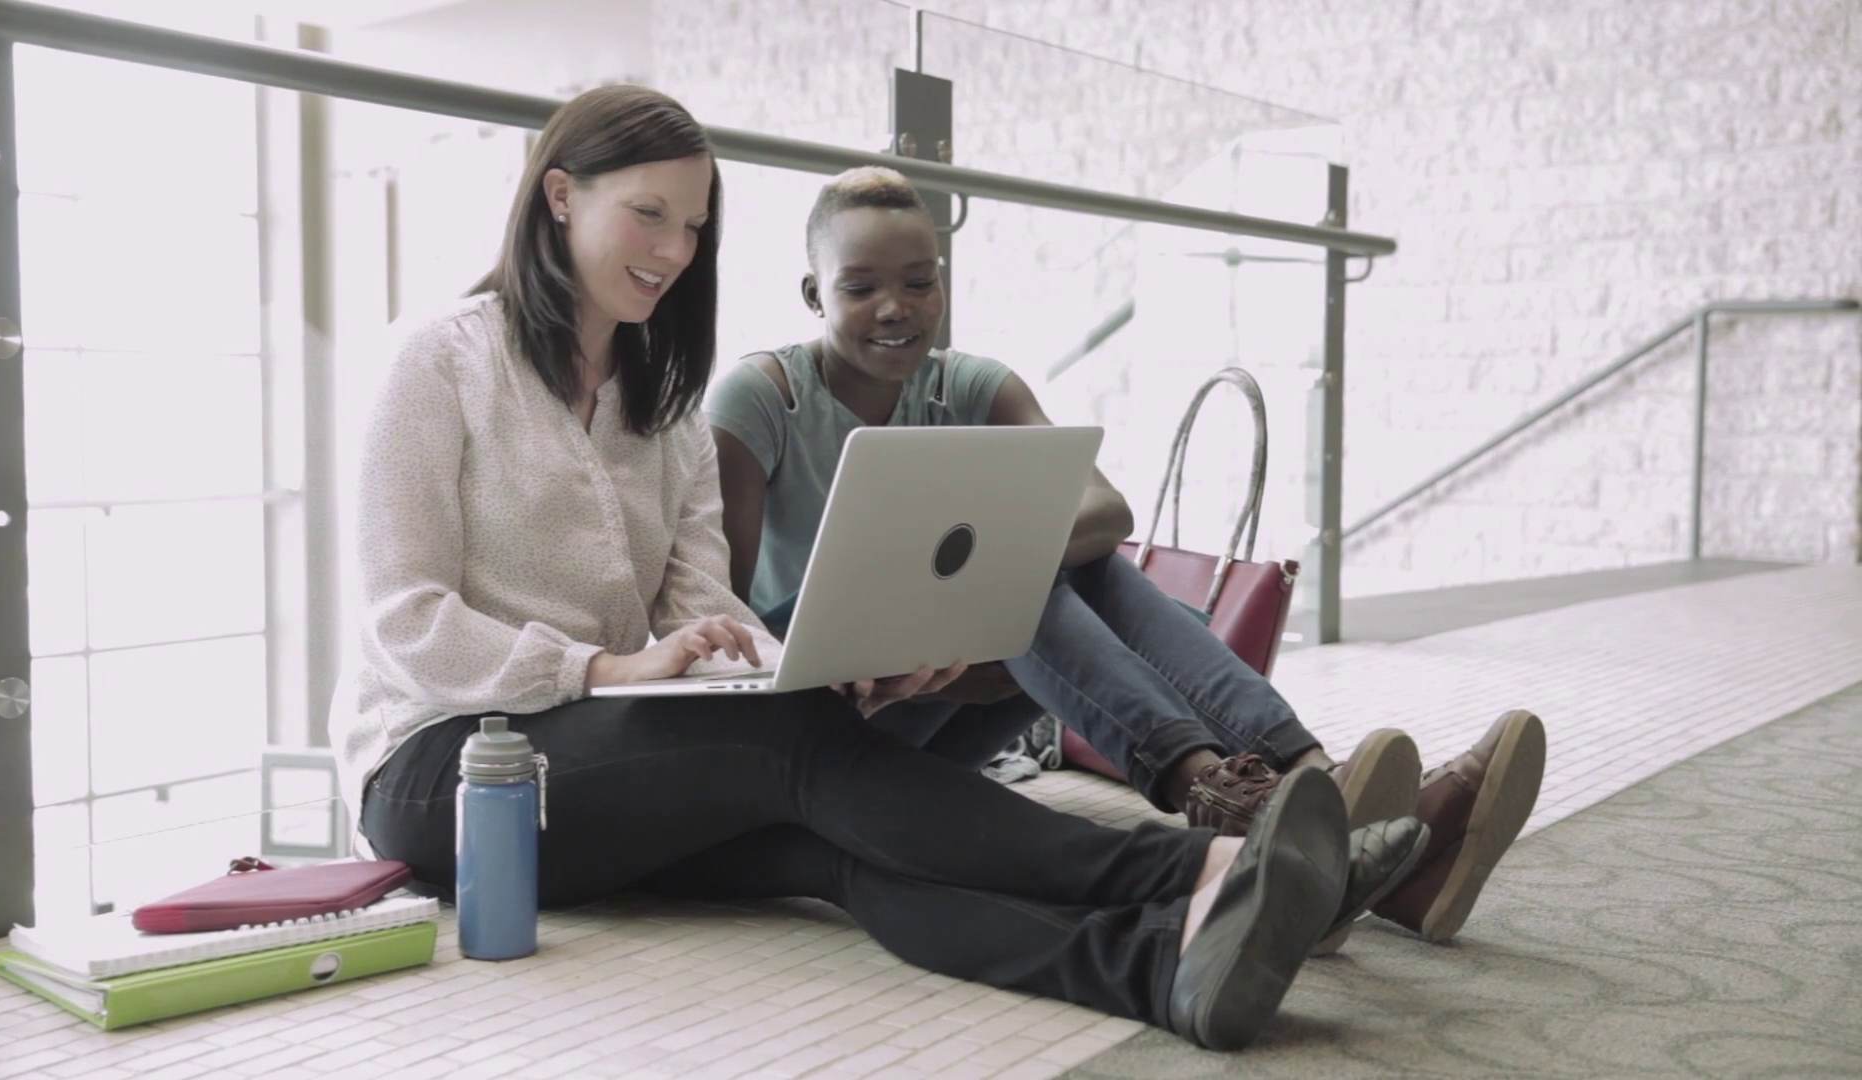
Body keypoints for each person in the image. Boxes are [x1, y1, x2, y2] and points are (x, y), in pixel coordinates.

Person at [327, 85, 1428, 1052]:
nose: (672, 249)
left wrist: (796, 662)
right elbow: (404, 617)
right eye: (647, 214)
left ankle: (1164, 972)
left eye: (694, 224)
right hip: (446, 773)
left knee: (833, 848)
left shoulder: (660, 400)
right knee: (795, 745)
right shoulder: (437, 362)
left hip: (607, 774)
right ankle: (1203, 872)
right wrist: (604, 672)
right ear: (561, 197)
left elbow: (699, 599)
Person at [704, 165, 1549, 948]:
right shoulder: (763, 398)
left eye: (919, 281)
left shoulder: (967, 383)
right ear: (816, 293)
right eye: (862, 287)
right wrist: (903, 627)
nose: (897, 306)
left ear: (942, 286)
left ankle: (1302, 785)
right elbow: (725, 605)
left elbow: (1107, 510)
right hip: (834, 712)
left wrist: (981, 577)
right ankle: (1262, 800)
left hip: (961, 671)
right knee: (1013, 572)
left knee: (1049, 565)